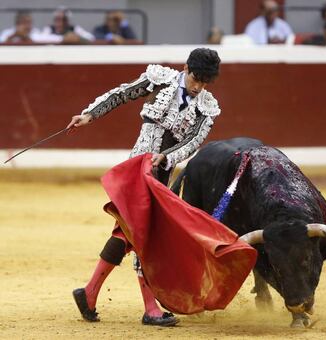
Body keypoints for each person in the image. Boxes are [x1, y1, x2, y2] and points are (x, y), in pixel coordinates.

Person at [67, 48, 221, 326]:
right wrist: (89, 115)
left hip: (161, 173)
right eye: (196, 78)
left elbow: (193, 141)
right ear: (186, 68)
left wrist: (169, 156)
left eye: (205, 82)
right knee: (144, 236)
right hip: (138, 165)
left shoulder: (207, 107)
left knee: (128, 232)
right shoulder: (160, 79)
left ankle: (89, 292)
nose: (199, 86)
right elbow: (121, 93)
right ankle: (150, 309)